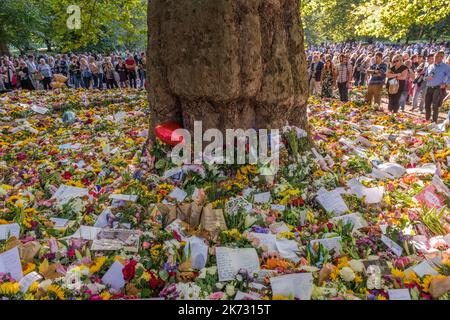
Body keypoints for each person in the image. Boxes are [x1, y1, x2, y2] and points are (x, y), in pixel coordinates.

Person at [424, 51, 450, 123]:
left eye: (439, 56)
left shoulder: (446, 67)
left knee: (435, 106)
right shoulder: (430, 66)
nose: (436, 58)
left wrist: (445, 84)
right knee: (427, 105)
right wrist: (426, 78)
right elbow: (424, 77)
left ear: (442, 57)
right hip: (429, 87)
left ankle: (434, 122)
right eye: (435, 56)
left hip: (438, 88)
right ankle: (427, 120)